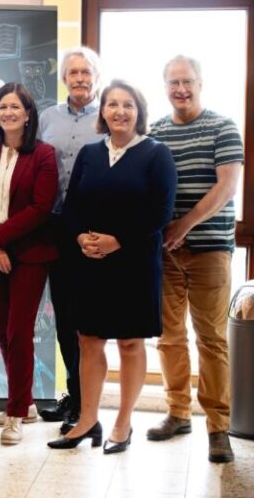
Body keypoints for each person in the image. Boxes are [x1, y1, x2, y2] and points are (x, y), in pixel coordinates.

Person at [48, 80, 177, 453]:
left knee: (130, 342)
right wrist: (80, 239)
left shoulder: (156, 154)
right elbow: (71, 206)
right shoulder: (90, 153)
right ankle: (88, 420)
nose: (120, 111)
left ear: (139, 112)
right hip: (89, 262)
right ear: (102, 111)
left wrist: (117, 239)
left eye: (128, 105)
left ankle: (123, 423)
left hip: (134, 262)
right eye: (112, 104)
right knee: (88, 340)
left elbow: (161, 212)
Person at [148, 56, 243, 463]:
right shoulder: (155, 132)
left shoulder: (223, 127)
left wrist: (182, 225)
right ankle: (177, 413)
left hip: (210, 251)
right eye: (173, 82)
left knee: (212, 341)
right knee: (169, 338)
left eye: (187, 81)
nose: (180, 89)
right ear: (165, 86)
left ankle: (218, 428)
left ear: (200, 83)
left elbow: (226, 188)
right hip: (165, 253)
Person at [0, 83, 58, 445]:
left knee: (19, 333)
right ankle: (26, 403)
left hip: (30, 254)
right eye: (2, 107)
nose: (8, 113)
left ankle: (15, 413)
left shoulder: (44, 155)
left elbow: (41, 207)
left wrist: (0, 239)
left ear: (28, 114)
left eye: (15, 107)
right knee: (5, 332)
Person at [38, 47, 105, 434]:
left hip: (96, 232)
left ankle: (88, 405)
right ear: (64, 78)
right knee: (64, 318)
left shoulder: (110, 114)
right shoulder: (47, 117)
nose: (80, 78)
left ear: (96, 77)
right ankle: (74, 399)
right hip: (56, 228)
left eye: (86, 72)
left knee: (90, 320)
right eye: (73, 72)